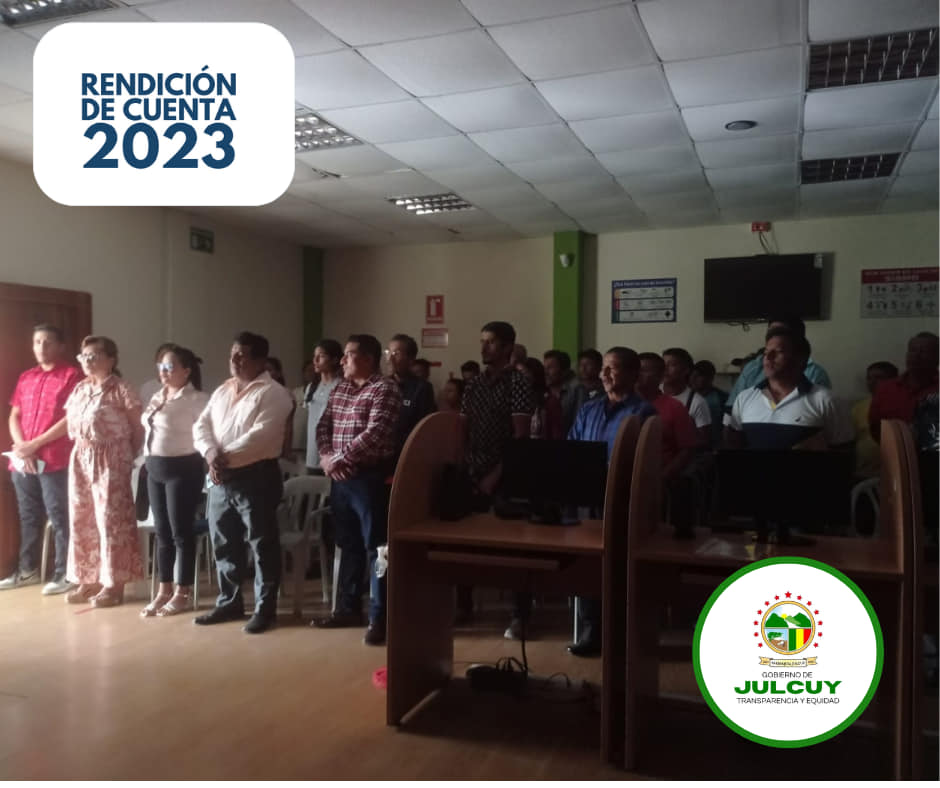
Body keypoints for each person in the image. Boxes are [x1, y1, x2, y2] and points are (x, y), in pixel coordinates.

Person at [192, 331, 294, 634]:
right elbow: (201, 425)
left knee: (261, 544)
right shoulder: (223, 390)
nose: (234, 360)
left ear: (260, 360)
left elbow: (260, 437)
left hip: (256, 476)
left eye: (242, 355)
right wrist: (210, 453)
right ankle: (230, 602)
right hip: (221, 477)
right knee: (224, 542)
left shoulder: (274, 393)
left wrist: (219, 458)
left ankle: (265, 609)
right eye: (232, 354)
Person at [312, 335, 402, 646]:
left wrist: (338, 459)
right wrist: (327, 458)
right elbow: (323, 426)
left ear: (367, 359)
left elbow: (376, 433)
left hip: (370, 479)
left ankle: (380, 617)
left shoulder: (385, 389)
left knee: (378, 548)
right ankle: (347, 609)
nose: (342, 360)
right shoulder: (341, 388)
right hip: (340, 478)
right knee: (347, 544)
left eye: (348, 355)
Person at [566, 347, 656, 657]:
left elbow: (644, 461)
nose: (603, 374)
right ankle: (591, 631)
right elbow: (573, 448)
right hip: (586, 497)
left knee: (617, 566)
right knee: (587, 564)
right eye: (603, 367)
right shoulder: (588, 409)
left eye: (612, 368)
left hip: (622, 498)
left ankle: (620, 633)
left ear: (632, 374)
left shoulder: (644, 413)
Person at [460, 321, 535, 637]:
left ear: (507, 347)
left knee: (515, 546)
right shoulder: (473, 384)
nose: (484, 347)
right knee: (464, 542)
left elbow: (520, 437)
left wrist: (495, 474)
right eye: (482, 341)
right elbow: (462, 429)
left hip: (506, 473)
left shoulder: (519, 382)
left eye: (491, 342)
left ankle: (520, 615)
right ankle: (463, 606)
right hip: (472, 469)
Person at [1, 324, 83, 594]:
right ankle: (27, 570)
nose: (42, 347)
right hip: (23, 460)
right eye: (37, 342)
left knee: (60, 516)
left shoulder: (72, 375)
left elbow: (71, 418)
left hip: (54, 459)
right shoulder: (27, 377)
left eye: (48, 342)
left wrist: (35, 444)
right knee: (28, 516)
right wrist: (22, 446)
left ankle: (65, 573)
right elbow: (14, 415)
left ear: (61, 346)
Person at [64, 336, 145, 607]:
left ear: (111, 360)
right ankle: (88, 579)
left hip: (111, 457)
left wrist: (127, 457)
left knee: (111, 521)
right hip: (81, 456)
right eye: (84, 356)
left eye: (94, 355)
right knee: (82, 518)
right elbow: (69, 423)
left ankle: (114, 584)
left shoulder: (121, 388)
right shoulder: (80, 388)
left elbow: (138, 428)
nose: (87, 361)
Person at [139, 345, 210, 617]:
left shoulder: (197, 399)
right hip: (154, 469)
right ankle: (164, 589)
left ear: (186, 371)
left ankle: (183, 591)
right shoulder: (158, 396)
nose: (163, 372)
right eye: (161, 367)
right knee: (162, 533)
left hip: (182, 469)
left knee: (181, 532)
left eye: (169, 367)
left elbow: (207, 433)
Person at [725, 329, 852, 450]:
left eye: (778, 352)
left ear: (800, 359)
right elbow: (735, 447)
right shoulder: (745, 398)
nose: (768, 357)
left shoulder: (826, 400)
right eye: (766, 352)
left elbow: (845, 451)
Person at [725, 316, 831, 415]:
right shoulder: (753, 368)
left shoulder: (816, 375)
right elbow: (732, 412)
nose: (773, 337)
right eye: (771, 332)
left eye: (780, 332)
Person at [869, 332, 939, 442]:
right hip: (893, 449)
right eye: (912, 350)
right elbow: (875, 428)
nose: (916, 355)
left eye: (923, 351)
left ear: (937, 358)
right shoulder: (885, 389)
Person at [386, 334, 436, 464]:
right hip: (380, 454)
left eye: (396, 353)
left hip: (407, 454)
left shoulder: (422, 388)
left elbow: (422, 429)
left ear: (411, 359)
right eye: (388, 352)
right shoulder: (381, 384)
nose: (390, 358)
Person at [851, 361, 898, 476]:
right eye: (869, 378)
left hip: (895, 472)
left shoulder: (900, 404)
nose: (872, 382)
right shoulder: (858, 408)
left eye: (879, 377)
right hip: (864, 472)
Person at [305, 340, 343, 474]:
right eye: (314, 356)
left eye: (321, 356)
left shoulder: (341, 386)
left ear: (334, 359)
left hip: (331, 452)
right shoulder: (312, 387)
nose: (315, 360)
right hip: (311, 451)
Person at [662, 347, 712, 447]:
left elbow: (704, 439)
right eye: (663, 364)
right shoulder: (653, 392)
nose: (665, 369)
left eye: (672, 365)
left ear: (686, 370)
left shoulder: (697, 402)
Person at [689, 360, 728, 449]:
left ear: (710, 378)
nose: (693, 379)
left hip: (715, 445)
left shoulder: (722, 398)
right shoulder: (687, 395)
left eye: (698, 376)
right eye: (692, 375)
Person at [543, 349, 576, 437]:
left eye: (550, 367)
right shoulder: (542, 392)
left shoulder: (576, 390)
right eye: (544, 368)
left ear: (564, 371)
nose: (545, 372)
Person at [569, 348, 604, 418]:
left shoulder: (605, 388)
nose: (583, 368)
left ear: (599, 367)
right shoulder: (573, 388)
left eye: (588, 364)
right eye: (581, 365)